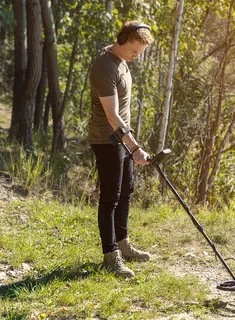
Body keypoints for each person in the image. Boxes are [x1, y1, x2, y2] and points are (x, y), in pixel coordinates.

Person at [88, 21, 154, 278]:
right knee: (110, 197)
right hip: (107, 139)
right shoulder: (105, 66)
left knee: (126, 189)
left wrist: (131, 143)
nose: (137, 56)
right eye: (135, 51)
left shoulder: (121, 61)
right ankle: (111, 255)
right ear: (123, 39)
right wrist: (135, 147)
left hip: (121, 138)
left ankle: (123, 243)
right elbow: (112, 115)